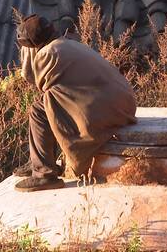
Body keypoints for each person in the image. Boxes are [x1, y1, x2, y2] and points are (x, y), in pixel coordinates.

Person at [14, 14, 137, 192]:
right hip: (125, 104)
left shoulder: (47, 54)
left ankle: (44, 173)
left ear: (29, 45)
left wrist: (29, 58)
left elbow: (40, 85)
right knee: (50, 102)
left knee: (40, 109)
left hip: (110, 108)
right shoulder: (70, 43)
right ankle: (39, 160)